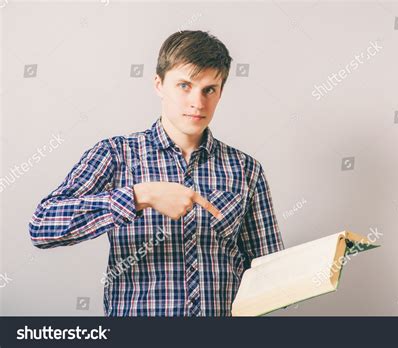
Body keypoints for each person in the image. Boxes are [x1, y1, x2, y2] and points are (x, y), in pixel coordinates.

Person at [29, 30, 284, 316]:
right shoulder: (116, 155)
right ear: (159, 84)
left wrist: (317, 266)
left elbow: (269, 270)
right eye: (184, 85)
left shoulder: (246, 169)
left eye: (209, 89)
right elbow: (42, 227)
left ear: (221, 92)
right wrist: (140, 196)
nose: (197, 103)